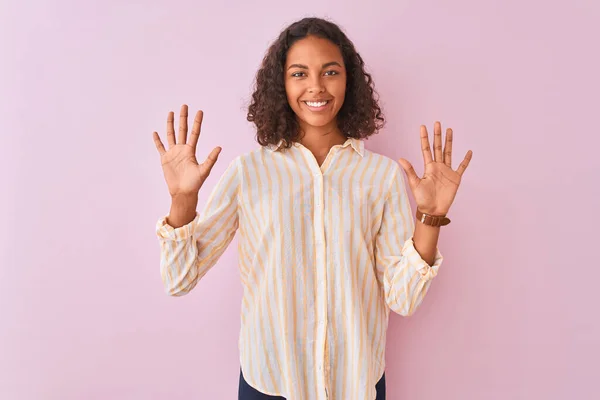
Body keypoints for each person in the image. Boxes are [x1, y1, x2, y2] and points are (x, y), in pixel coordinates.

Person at [152, 17, 472, 400]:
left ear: (348, 80)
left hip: (354, 383)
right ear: (281, 85)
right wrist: (182, 200)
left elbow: (402, 298)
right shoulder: (250, 173)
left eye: (330, 72)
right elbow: (179, 279)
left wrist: (429, 218)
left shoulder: (380, 177)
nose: (316, 86)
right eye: (299, 73)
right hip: (269, 381)